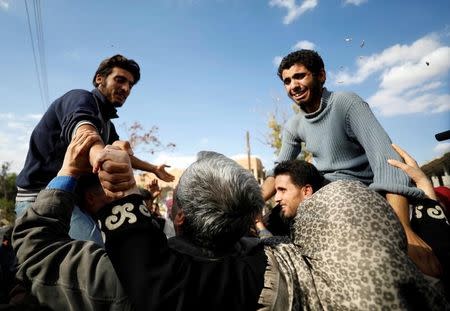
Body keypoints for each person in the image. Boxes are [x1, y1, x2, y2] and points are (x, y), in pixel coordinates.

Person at [13, 131, 449, 310]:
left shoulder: (122, 274)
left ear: (176, 216)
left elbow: (34, 251)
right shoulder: (297, 258)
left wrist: (67, 173)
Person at [261, 49, 440, 277]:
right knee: (269, 226)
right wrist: (252, 204)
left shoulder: (346, 103)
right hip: (327, 195)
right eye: (287, 81)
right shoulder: (295, 125)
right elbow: (277, 171)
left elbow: (387, 161)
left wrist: (404, 231)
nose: (293, 85)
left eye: (300, 76)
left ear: (321, 76)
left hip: (363, 197)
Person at [15, 54, 174, 242]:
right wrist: (98, 152)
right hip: (40, 198)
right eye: (120, 80)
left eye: (130, 85)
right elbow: (82, 126)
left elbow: (125, 156)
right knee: (98, 254)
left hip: (73, 200)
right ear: (100, 78)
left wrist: (154, 169)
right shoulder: (79, 98)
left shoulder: (107, 125)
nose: (126, 89)